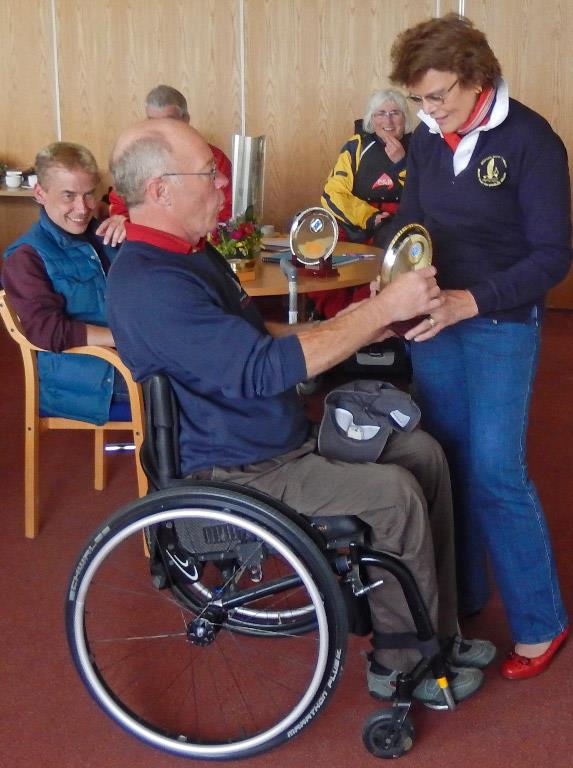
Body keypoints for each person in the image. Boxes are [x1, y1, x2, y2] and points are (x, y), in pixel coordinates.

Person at [105, 116, 495, 707]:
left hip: (273, 441)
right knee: (393, 494)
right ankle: (401, 664)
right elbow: (262, 368)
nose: (221, 188)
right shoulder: (152, 284)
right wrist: (377, 309)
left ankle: (437, 631)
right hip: (239, 470)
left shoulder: (189, 256)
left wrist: (365, 323)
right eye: (209, 176)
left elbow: (261, 336)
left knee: (423, 453)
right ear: (160, 191)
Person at [375, 13, 571, 679]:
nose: (427, 111)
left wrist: (470, 300)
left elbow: (552, 256)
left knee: (495, 471)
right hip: (434, 317)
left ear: (477, 77)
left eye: (438, 96)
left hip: (496, 322)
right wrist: (395, 265)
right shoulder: (430, 138)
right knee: (445, 461)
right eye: (419, 99)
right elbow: (411, 217)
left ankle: (541, 622)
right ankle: (463, 597)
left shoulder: (530, 142)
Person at [2, 142, 127, 424]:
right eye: (68, 196)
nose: (82, 208)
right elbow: (46, 331)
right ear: (40, 194)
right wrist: (124, 337)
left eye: (88, 194)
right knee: (191, 382)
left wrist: (133, 228)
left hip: (123, 357)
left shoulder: (101, 234)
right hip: (85, 378)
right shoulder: (26, 257)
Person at [313, 89, 412, 320]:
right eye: (381, 114)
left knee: (384, 252)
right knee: (313, 245)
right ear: (371, 119)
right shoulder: (356, 146)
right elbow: (334, 192)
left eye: (395, 113)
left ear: (405, 118)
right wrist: (369, 217)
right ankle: (336, 318)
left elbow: (426, 191)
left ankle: (372, 321)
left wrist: (402, 162)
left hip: (398, 221)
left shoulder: (418, 146)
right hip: (358, 217)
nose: (388, 121)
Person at [103, 84, 232, 235]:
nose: (159, 129)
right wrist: (123, 220)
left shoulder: (210, 158)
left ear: (186, 120)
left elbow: (227, 210)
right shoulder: (136, 159)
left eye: (169, 121)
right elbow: (121, 204)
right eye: (152, 121)